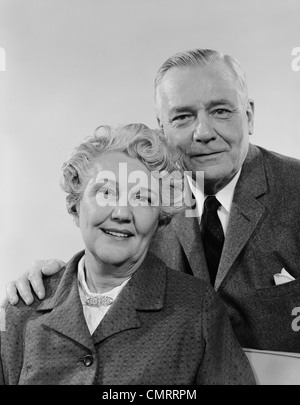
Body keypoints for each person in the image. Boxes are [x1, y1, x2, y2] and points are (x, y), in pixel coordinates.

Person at [4, 49, 300, 353]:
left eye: (221, 111)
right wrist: (52, 283)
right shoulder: (146, 196)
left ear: (249, 116)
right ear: (163, 129)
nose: (204, 132)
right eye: (183, 117)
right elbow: (107, 272)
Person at [0, 124, 255, 385]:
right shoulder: (22, 307)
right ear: (77, 203)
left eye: (142, 198)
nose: (122, 213)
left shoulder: (198, 310)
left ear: (161, 217)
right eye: (106, 192)